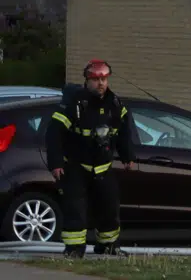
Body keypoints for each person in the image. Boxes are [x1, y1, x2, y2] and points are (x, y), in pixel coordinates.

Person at [46, 59, 136, 258]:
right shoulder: (75, 104)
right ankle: (74, 250)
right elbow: (54, 134)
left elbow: (124, 133)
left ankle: (109, 245)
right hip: (77, 166)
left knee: (109, 208)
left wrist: (128, 156)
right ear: (87, 81)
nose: (101, 83)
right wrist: (56, 163)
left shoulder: (115, 104)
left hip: (103, 166)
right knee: (76, 209)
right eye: (96, 79)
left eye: (104, 78)